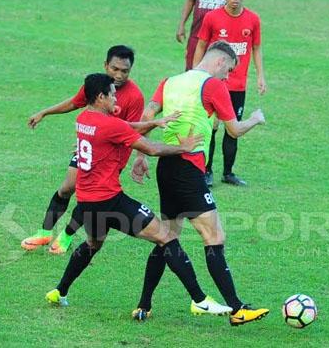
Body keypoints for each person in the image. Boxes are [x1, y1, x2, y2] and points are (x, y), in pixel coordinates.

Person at [44, 73, 232, 320]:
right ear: (100, 97)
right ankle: (199, 300)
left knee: (93, 244)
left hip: (87, 203)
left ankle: (59, 291)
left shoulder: (83, 119)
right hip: (111, 201)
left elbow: (124, 127)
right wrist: (183, 148)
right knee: (166, 237)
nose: (115, 98)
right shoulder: (110, 125)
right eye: (111, 94)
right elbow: (152, 149)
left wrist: (155, 122)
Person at [130, 41, 269, 326]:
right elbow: (234, 129)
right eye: (229, 70)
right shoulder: (213, 86)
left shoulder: (170, 82)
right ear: (219, 62)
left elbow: (146, 117)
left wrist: (140, 155)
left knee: (165, 236)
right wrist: (255, 119)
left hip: (166, 167)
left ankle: (143, 305)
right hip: (188, 169)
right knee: (214, 236)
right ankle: (237, 309)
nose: (228, 77)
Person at [20, 45, 144, 253]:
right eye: (115, 69)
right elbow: (75, 103)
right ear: (105, 65)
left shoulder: (135, 96)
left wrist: (140, 156)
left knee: (90, 196)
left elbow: (134, 130)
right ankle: (44, 233)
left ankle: (66, 235)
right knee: (67, 187)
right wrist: (45, 112)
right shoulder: (95, 86)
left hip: (111, 158)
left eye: (125, 71)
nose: (119, 75)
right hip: (87, 150)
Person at [193, 0, 266, 187]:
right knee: (212, 127)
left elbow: (256, 48)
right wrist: (195, 73)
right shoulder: (212, 18)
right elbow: (200, 45)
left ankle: (228, 172)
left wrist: (261, 75)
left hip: (238, 86)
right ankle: (206, 171)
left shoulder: (253, 19)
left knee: (233, 130)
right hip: (215, 84)